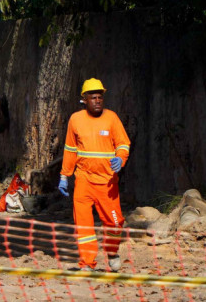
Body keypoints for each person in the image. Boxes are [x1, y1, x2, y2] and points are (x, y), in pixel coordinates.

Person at [58, 78, 130, 272]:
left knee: (115, 222)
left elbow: (123, 143)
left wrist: (120, 159)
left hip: (107, 182)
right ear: (84, 100)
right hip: (83, 180)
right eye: (93, 97)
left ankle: (112, 251)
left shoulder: (112, 118)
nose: (98, 100)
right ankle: (87, 263)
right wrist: (65, 176)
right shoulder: (75, 120)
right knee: (83, 225)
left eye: (100, 97)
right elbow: (70, 149)